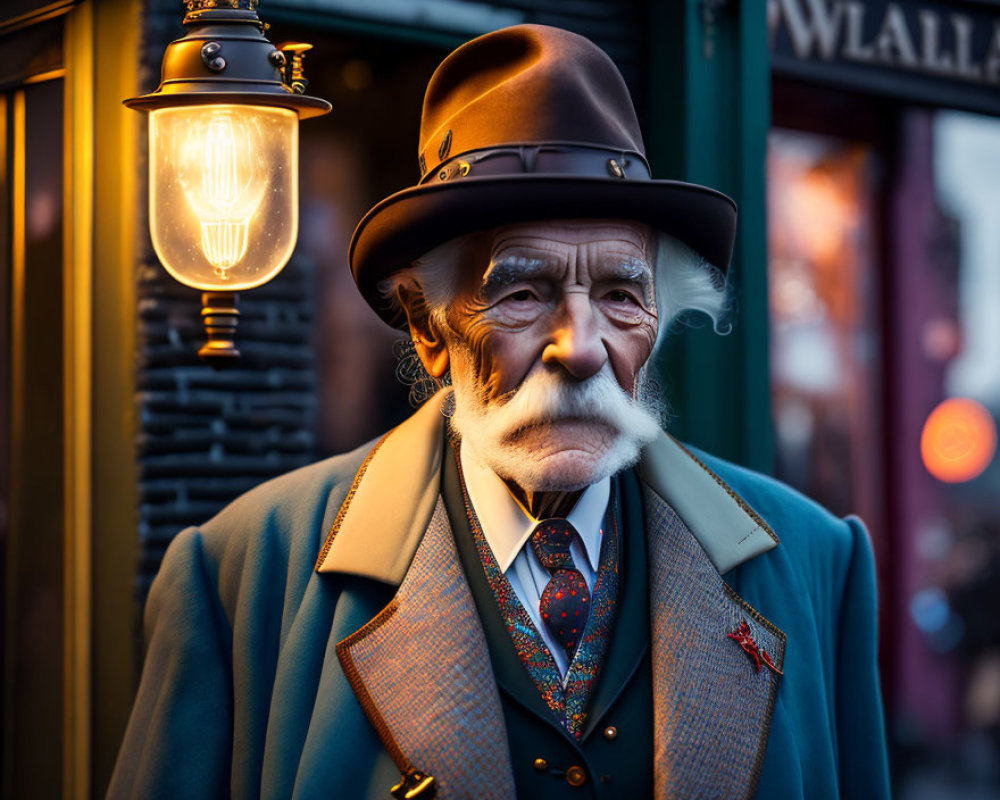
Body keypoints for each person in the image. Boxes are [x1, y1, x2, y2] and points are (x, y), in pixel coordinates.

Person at [108, 24, 891, 800]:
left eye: (621, 295)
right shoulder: (240, 577)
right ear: (428, 327)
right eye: (523, 293)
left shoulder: (816, 564)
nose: (580, 348)